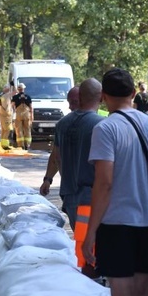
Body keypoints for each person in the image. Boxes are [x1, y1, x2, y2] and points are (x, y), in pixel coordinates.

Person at [83, 67, 148, 296]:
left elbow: (104, 184)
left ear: (104, 96)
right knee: (145, 290)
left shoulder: (105, 129)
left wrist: (90, 232)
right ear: (134, 93)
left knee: (122, 291)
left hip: (118, 223)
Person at [40, 82, 103, 230]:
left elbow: (56, 156)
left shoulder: (62, 124)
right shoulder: (101, 125)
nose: (70, 106)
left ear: (81, 98)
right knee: (93, 243)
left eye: (73, 102)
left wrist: (48, 179)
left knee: (82, 239)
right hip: (90, 195)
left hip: (70, 195)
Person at [12, 82, 34, 150]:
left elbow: (12, 105)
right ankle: (27, 144)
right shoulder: (28, 97)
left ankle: (21, 145)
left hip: (18, 115)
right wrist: (32, 116)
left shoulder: (15, 97)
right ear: (23, 89)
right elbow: (31, 107)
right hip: (26, 114)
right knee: (27, 129)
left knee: (19, 130)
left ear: (18, 89)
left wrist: (14, 112)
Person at [0, 84, 14, 150]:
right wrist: (13, 85)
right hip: (7, 115)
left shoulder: (0, 97)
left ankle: (3, 144)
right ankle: (5, 145)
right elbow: (15, 92)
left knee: (3, 130)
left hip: (2, 115)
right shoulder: (6, 95)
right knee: (7, 130)